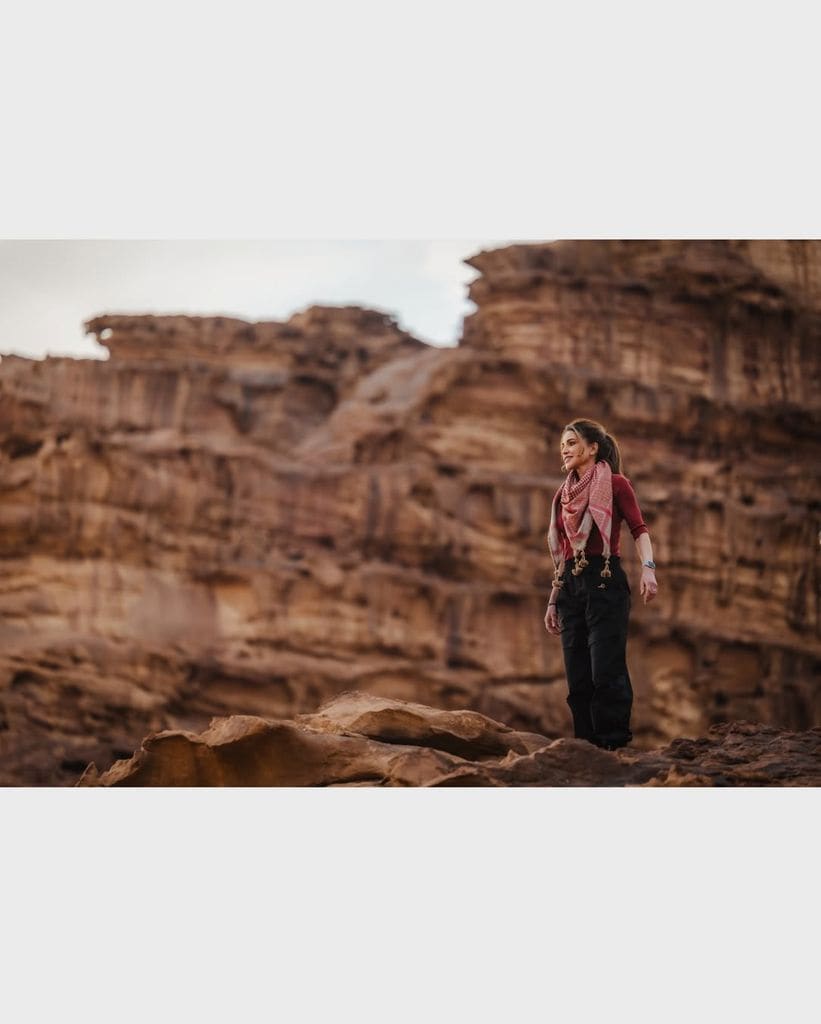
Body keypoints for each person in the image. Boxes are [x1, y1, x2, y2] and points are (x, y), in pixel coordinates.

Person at [543, 419, 658, 749]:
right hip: (570, 586)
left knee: (606, 671)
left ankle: (613, 747)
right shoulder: (563, 495)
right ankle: (586, 749)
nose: (564, 450)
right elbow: (566, 553)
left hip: (604, 581)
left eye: (571, 443)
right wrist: (553, 599)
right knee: (577, 677)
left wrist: (648, 569)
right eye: (562, 444)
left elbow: (639, 529)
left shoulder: (617, 484)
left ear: (592, 448)